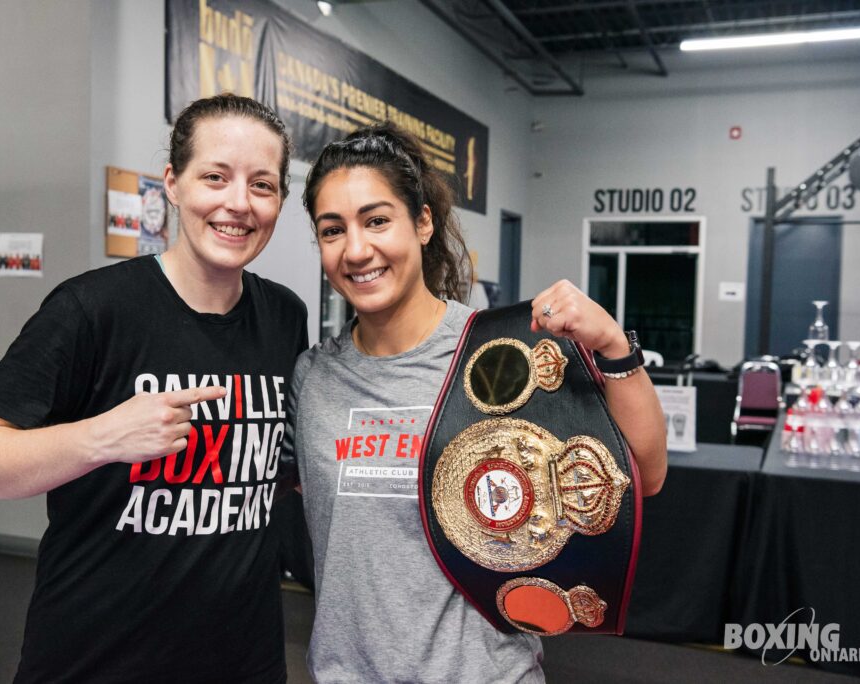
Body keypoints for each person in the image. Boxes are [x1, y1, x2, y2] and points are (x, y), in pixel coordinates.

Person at [0, 94, 307, 684]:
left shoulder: (285, 317)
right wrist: (101, 438)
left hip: (245, 661)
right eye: (215, 177)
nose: (239, 203)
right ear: (173, 184)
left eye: (261, 185)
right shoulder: (92, 309)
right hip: (98, 660)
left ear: (279, 201)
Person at [284, 122, 667, 683]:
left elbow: (645, 477)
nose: (357, 249)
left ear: (422, 222)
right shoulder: (314, 377)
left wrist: (612, 345)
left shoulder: (499, 353)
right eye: (332, 230)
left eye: (377, 220)